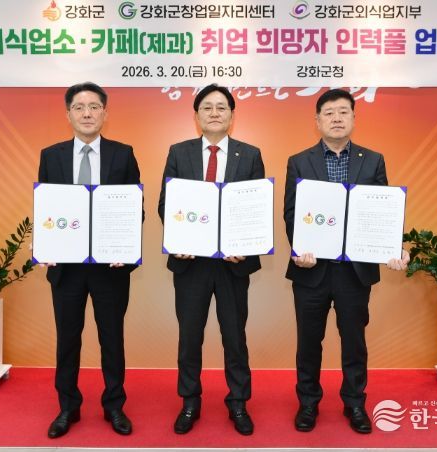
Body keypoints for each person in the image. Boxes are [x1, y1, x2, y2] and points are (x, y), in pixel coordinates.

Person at [283, 88, 409, 434]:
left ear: (354, 118)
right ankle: (308, 403)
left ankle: (355, 403)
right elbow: (292, 213)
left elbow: (383, 211)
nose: (336, 118)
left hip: (355, 272)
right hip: (311, 270)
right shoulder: (299, 161)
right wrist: (299, 249)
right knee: (309, 342)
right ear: (317, 121)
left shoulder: (373, 160)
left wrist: (393, 247)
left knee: (354, 342)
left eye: (343, 112)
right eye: (329, 113)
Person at [157, 84, 264, 435]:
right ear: (196, 116)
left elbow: (256, 208)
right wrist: (179, 239)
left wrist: (247, 244)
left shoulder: (250, 154)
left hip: (233, 263)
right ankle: (190, 402)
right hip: (192, 263)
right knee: (190, 337)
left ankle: (238, 402)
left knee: (235, 337)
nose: (214, 113)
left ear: (232, 115)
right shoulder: (179, 152)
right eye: (207, 107)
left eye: (221, 107)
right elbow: (166, 204)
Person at [38, 82, 141, 438]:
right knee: (68, 339)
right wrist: (45, 243)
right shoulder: (51, 156)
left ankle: (114, 405)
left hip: (110, 269)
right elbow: (46, 208)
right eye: (79, 107)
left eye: (94, 107)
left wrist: (126, 247)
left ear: (105, 113)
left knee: (112, 339)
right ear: (68, 114)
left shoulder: (123, 154)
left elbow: (135, 209)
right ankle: (68, 406)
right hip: (66, 269)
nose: (87, 113)